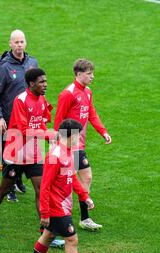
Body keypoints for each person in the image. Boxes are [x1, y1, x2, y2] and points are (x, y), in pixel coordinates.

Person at [0, 68, 63, 247]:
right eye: (41, 82)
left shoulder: (41, 99)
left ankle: (45, 234)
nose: (45, 85)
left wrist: (49, 138)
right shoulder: (21, 100)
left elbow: (41, 120)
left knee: (41, 190)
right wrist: (48, 135)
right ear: (31, 83)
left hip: (33, 153)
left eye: (45, 81)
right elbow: (23, 130)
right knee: (3, 189)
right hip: (16, 153)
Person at [24, 119, 101, 253]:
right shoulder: (55, 155)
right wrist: (45, 213)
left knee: (48, 237)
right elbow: (45, 186)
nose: (79, 138)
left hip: (63, 206)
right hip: (56, 207)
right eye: (78, 134)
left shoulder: (68, 152)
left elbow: (72, 177)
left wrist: (84, 196)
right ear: (71, 135)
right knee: (72, 239)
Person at [53, 59, 112, 231]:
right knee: (70, 180)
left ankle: (83, 218)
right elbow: (59, 120)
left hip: (80, 144)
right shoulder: (68, 94)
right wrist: (61, 145)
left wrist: (103, 132)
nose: (92, 76)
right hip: (70, 146)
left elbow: (91, 113)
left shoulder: (88, 92)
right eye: (89, 73)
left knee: (85, 178)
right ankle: (63, 216)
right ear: (79, 74)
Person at [0, 29, 37, 202]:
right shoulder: (4, 67)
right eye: (16, 42)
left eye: (22, 42)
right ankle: (9, 189)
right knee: (9, 156)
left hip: (28, 119)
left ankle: (17, 180)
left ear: (26, 42)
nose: (19, 45)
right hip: (9, 120)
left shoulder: (32, 62)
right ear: (10, 44)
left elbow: (38, 89)